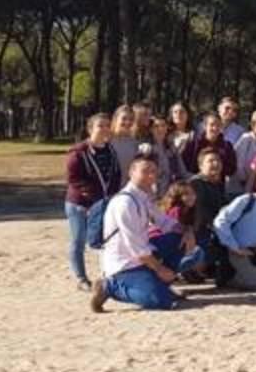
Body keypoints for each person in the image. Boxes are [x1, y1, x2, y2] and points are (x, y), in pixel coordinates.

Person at [91, 156, 183, 312]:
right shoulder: (125, 203)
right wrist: (160, 269)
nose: (151, 176)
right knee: (161, 301)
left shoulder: (143, 198)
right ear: (131, 172)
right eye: (145, 171)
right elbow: (136, 247)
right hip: (124, 264)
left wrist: (185, 231)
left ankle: (159, 284)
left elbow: (164, 221)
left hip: (142, 257)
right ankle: (109, 286)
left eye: (154, 172)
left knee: (179, 239)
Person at [65, 113, 122, 290]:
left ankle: (108, 274)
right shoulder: (78, 151)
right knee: (78, 240)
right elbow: (73, 179)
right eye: (100, 126)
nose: (104, 129)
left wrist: (111, 195)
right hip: (80, 204)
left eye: (107, 125)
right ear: (90, 129)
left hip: (103, 202)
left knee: (104, 239)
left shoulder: (110, 149)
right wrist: (92, 200)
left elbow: (116, 173)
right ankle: (81, 279)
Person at [181, 112, 237, 183]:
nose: (215, 128)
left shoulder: (227, 146)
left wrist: (217, 171)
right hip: (197, 182)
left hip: (218, 184)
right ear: (205, 126)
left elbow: (232, 168)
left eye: (218, 125)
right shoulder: (194, 144)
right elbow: (185, 164)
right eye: (212, 125)